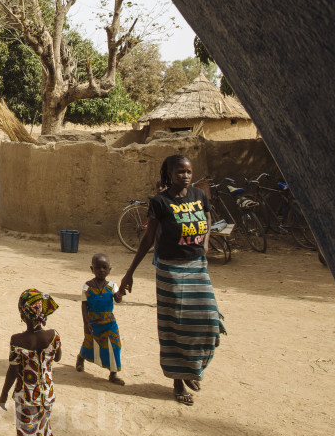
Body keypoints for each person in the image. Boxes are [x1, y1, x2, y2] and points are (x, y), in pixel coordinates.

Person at [121, 154, 225, 406]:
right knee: (175, 326)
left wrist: (207, 243)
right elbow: (148, 239)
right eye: (180, 172)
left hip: (197, 266)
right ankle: (179, 380)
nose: (186, 176)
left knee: (210, 320)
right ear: (169, 174)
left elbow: (209, 218)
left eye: (188, 171)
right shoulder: (160, 201)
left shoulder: (199, 196)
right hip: (170, 270)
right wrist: (129, 272)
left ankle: (192, 368)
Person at [0, 288, 62, 436]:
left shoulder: (17, 340)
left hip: (26, 396)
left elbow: (13, 371)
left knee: (27, 433)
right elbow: (58, 358)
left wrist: (4, 393)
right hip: (47, 393)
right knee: (43, 429)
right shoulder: (54, 335)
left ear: (22, 314)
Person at [75, 253, 126, 385]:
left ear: (110, 270)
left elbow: (118, 299)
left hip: (109, 323)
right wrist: (86, 323)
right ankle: (81, 358)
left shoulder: (112, 286)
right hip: (93, 323)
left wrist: (120, 294)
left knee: (115, 346)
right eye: (98, 268)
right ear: (92, 269)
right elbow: (84, 305)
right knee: (89, 343)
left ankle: (113, 374)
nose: (101, 270)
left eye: (105, 267)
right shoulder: (87, 286)